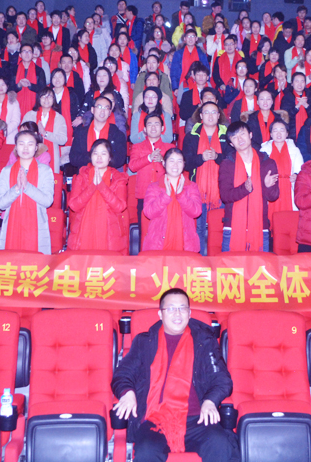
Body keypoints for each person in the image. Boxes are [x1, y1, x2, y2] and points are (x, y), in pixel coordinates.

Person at [111, 288, 238, 462]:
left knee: (220, 444)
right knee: (147, 450)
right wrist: (128, 392)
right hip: (155, 419)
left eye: (182, 308)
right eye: (171, 308)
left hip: (198, 418)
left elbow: (222, 380)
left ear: (189, 313)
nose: (177, 313)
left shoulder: (204, 341)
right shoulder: (144, 342)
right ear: (160, 314)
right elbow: (123, 373)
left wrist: (210, 401)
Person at [218, 121, 280, 252]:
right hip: (232, 227)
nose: (240, 139)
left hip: (260, 226)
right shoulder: (227, 164)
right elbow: (225, 196)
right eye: (235, 137)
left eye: (242, 134)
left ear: (250, 135)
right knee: (231, 265)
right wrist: (244, 189)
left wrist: (266, 186)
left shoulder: (267, 163)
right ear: (231, 143)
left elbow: (273, 196)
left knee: (259, 265)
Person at [182, 102, 229, 255]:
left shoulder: (227, 136)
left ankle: (220, 260)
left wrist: (217, 157)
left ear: (219, 115)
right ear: (201, 116)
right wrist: (201, 158)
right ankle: (200, 261)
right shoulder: (191, 137)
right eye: (206, 112)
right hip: (197, 189)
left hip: (221, 189)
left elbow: (232, 161)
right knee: (199, 228)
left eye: (214, 112)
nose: (210, 116)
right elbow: (185, 163)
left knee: (219, 227)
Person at [0, 130, 54, 253]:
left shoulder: (45, 171)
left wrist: (27, 187)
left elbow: (48, 201)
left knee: (35, 263)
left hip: (36, 227)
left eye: (30, 144)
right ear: (16, 147)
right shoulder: (6, 171)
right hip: (12, 227)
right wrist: (16, 189)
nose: (26, 148)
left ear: (36, 147)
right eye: (21, 144)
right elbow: (0, 204)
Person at [68, 139, 129, 253]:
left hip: (109, 232)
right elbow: (74, 205)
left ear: (109, 157)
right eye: (95, 153)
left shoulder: (119, 179)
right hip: (84, 230)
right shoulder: (82, 176)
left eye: (103, 153)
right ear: (91, 156)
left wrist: (102, 186)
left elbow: (120, 206)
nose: (99, 157)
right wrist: (91, 187)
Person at [142, 148, 204, 252]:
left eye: (179, 161)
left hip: (186, 245)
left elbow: (196, 212)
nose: (175, 165)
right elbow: (149, 213)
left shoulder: (191, 187)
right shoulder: (154, 187)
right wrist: (166, 195)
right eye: (171, 161)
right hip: (158, 245)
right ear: (164, 163)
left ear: (184, 164)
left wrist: (181, 195)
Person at [129, 112, 176, 219]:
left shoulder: (170, 147)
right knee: (144, 226)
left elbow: (176, 169)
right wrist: (149, 158)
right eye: (150, 124)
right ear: (145, 129)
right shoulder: (137, 147)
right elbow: (132, 166)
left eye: (156, 124)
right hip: (143, 193)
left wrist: (162, 161)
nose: (153, 127)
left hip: (165, 192)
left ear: (162, 128)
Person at [261, 120, 303, 224]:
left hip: (288, 185)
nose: (278, 134)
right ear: (271, 134)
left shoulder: (294, 150)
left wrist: (296, 175)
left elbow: (301, 169)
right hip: (271, 186)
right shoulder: (264, 150)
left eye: (282, 130)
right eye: (275, 131)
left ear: (287, 133)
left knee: (289, 219)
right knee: (271, 217)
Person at [71, 95, 127, 170]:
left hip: (109, 174)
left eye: (106, 108)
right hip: (85, 174)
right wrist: (93, 157)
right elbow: (73, 158)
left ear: (110, 112)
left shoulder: (117, 134)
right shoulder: (81, 132)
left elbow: (120, 159)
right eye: (99, 107)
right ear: (92, 110)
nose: (102, 111)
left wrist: (100, 161)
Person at [22, 88, 71, 173]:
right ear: (39, 98)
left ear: (53, 99)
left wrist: (45, 134)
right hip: (30, 154)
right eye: (43, 96)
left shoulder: (59, 118)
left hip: (52, 156)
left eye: (49, 96)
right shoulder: (29, 115)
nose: (46, 99)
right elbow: (21, 135)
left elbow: (63, 140)